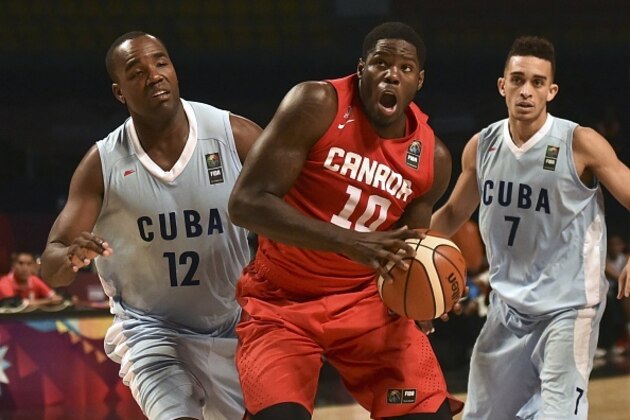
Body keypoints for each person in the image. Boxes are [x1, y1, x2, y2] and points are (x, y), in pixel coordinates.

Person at [228, 22, 462, 419]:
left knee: (427, 415)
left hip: (368, 305)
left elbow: (412, 250)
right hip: (282, 301)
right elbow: (245, 203)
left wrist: (430, 293)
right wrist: (347, 241)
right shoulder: (317, 104)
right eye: (380, 63)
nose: (392, 73)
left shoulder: (432, 159)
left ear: (418, 81)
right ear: (361, 69)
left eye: (405, 68)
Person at [40, 31, 261, 420]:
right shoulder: (102, 163)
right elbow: (51, 265)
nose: (154, 75)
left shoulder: (232, 134)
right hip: (153, 333)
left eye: (161, 63)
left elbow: (295, 203)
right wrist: (69, 256)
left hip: (234, 326)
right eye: (136, 71)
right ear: (119, 92)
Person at [431, 35, 630, 419]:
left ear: (551, 90)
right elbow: (454, 212)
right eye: (518, 79)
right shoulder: (481, 145)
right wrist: (412, 251)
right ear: (502, 85)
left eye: (537, 82)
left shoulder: (580, 143)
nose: (526, 91)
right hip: (507, 307)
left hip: (569, 308)